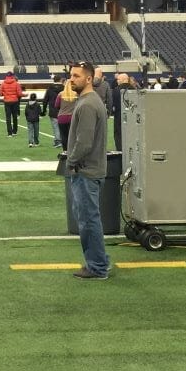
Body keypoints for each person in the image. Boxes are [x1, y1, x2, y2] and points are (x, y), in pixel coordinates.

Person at [65, 60, 110, 281]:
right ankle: (100, 261)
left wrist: (70, 161)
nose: (72, 79)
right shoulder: (90, 101)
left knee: (88, 221)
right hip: (90, 170)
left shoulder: (87, 104)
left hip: (86, 171)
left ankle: (97, 267)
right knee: (91, 219)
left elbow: (84, 142)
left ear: (89, 78)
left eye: (76, 76)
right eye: (71, 75)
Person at [0, 70, 23, 137]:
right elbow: (19, 93)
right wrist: (25, 95)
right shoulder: (16, 83)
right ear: (12, 76)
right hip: (15, 101)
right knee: (15, 117)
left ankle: (9, 133)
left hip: (7, 102)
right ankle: (15, 131)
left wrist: (5, 94)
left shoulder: (3, 83)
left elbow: (0, 94)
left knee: (8, 118)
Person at [55, 76, 77, 151]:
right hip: (72, 117)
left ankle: (65, 151)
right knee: (73, 136)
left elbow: (56, 105)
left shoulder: (60, 94)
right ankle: (72, 151)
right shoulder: (76, 95)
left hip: (62, 118)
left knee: (64, 136)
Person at [43, 73, 64, 147]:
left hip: (53, 110)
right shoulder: (64, 88)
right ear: (60, 80)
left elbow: (45, 100)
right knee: (63, 126)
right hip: (63, 110)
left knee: (55, 126)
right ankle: (63, 140)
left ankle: (57, 141)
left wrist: (44, 110)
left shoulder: (49, 89)